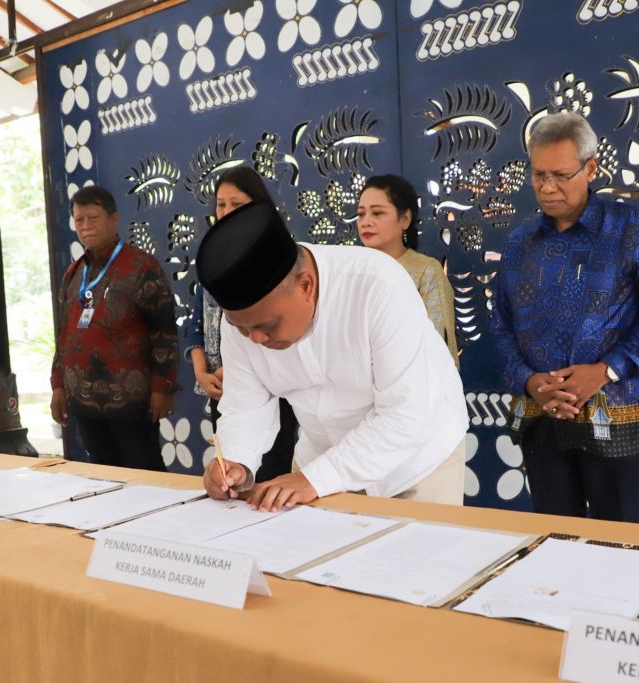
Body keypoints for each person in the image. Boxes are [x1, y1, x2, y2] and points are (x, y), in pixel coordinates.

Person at [197, 200, 467, 510]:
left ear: (306, 286)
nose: (255, 338)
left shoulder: (377, 287)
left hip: (418, 461)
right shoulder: (242, 323)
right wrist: (235, 463)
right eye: (243, 329)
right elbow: (246, 407)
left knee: (417, 558)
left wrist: (313, 479)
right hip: (321, 460)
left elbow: (403, 414)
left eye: (266, 325)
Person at [489, 111, 639, 523]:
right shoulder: (520, 240)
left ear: (591, 167)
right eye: (538, 175)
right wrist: (528, 381)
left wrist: (606, 371)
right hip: (541, 416)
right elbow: (501, 325)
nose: (547, 187)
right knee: (554, 543)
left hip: (617, 411)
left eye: (560, 174)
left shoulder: (634, 228)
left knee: (627, 546)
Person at [50, 185, 178, 470]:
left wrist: (163, 387)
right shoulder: (74, 272)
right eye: (79, 220)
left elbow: (164, 333)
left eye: (93, 218)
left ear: (114, 219)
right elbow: (64, 336)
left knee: (144, 471)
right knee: (102, 474)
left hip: (130, 400)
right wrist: (58, 386)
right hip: (83, 400)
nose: (85, 226)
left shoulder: (141, 267)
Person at [186, 166, 296, 480]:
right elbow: (196, 321)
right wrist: (201, 372)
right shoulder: (211, 255)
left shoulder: (276, 252)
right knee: (231, 462)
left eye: (236, 203)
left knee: (272, 467)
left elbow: (280, 326)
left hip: (269, 380)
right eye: (221, 204)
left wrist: (234, 369)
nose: (226, 211)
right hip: (218, 384)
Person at [357, 174, 459, 364]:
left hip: (412, 383)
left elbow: (436, 344)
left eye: (377, 213)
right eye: (361, 214)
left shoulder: (426, 270)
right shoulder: (353, 272)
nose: (366, 221)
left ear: (405, 219)